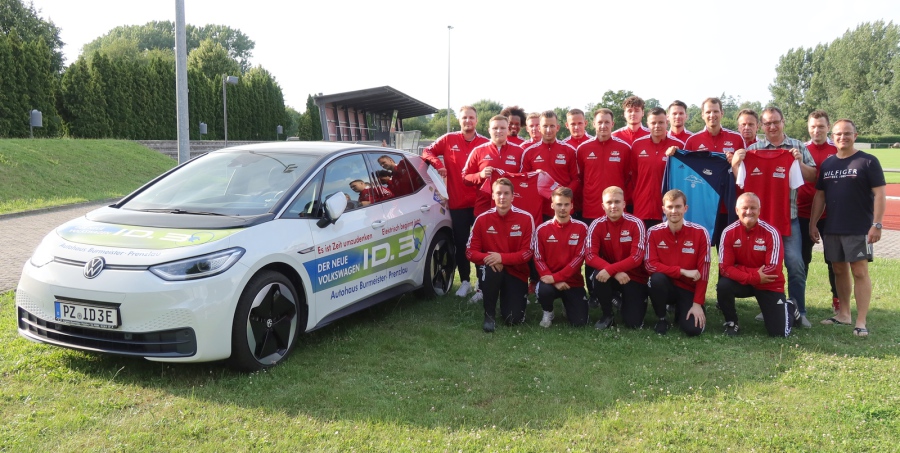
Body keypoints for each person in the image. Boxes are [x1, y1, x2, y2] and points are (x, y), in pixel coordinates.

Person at [732, 106, 817, 327]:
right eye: (767, 123)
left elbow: (813, 176)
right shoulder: (753, 149)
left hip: (789, 219)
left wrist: (798, 162)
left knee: (795, 264)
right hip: (761, 224)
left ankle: (799, 309)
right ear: (762, 125)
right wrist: (736, 163)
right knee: (767, 265)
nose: (772, 126)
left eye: (775, 122)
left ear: (783, 121)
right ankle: (770, 306)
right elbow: (740, 182)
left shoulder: (797, 147)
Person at [810, 119, 886, 337]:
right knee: (839, 270)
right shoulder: (828, 164)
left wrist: (877, 225)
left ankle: (861, 320)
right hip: (833, 227)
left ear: (855, 135)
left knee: (859, 271)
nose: (842, 137)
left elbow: (880, 194)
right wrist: (813, 223)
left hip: (859, 227)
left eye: (847, 133)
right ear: (832, 137)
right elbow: (820, 196)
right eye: (838, 134)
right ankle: (844, 314)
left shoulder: (868, 161)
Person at [421, 106, 489, 299]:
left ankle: (481, 284)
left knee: (480, 245)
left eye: (471, 118)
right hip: (457, 203)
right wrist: (439, 164)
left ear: (477, 120)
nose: (468, 121)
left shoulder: (485, 143)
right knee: (461, 243)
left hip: (480, 204)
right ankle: (465, 281)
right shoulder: (449, 139)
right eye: (465, 118)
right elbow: (427, 151)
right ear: (460, 120)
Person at [461, 115, 525, 302]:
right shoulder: (479, 151)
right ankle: (482, 287)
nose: (499, 131)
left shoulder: (519, 151)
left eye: (502, 128)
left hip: (510, 210)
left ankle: (512, 285)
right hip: (483, 209)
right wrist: (480, 175)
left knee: (510, 246)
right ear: (489, 130)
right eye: (495, 128)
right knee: (483, 246)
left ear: (508, 130)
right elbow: (465, 177)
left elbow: (524, 179)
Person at [717, 193, 798, 337]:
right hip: (747, 281)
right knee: (723, 285)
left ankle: (790, 306)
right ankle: (731, 322)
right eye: (745, 208)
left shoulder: (771, 232)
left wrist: (738, 268)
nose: (749, 212)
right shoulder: (728, 232)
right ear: (737, 210)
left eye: (753, 208)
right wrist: (753, 277)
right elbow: (724, 268)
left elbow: (772, 269)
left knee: (779, 333)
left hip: (768, 283)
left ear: (759, 210)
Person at [466, 178, 535, 332]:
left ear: (513, 196)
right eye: (498, 193)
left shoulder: (525, 218)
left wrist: (502, 258)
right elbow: (470, 251)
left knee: (514, 319)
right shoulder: (482, 219)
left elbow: (527, 253)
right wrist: (491, 259)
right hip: (493, 269)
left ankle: (508, 298)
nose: (502, 197)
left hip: (517, 272)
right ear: (493, 196)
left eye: (506, 193)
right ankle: (489, 315)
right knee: (490, 269)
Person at [644, 190, 710, 336]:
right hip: (666, 286)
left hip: (688, 289)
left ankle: (682, 310)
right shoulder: (653, 232)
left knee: (693, 330)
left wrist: (697, 303)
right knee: (656, 278)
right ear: (664, 209)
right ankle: (662, 318)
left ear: (685, 208)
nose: (674, 211)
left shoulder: (700, 232)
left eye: (678, 207)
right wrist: (681, 271)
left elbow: (703, 272)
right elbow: (650, 265)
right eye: (670, 207)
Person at [586, 186, 648, 330]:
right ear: (603, 206)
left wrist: (611, 269)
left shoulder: (636, 223)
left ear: (624, 204)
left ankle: (622, 300)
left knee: (633, 323)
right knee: (598, 275)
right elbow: (590, 256)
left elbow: (637, 258)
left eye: (617, 202)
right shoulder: (596, 225)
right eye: (609, 202)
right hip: (611, 276)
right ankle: (607, 315)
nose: (613, 206)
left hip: (634, 277)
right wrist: (613, 272)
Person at [798, 110, 839, 313]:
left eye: (821, 126)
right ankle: (799, 300)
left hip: (831, 215)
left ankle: (838, 299)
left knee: (834, 260)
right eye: (813, 126)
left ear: (828, 127)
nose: (817, 130)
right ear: (808, 128)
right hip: (803, 213)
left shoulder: (838, 148)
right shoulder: (801, 149)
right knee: (802, 259)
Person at [533, 186, 590, 328]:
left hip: (573, 282)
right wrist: (553, 280)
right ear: (552, 205)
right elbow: (538, 259)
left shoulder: (582, 228)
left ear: (572, 205)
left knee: (580, 322)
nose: (562, 208)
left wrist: (558, 278)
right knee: (544, 290)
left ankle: (568, 305)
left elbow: (578, 259)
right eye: (559, 204)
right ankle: (548, 311)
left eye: (566, 204)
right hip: (549, 281)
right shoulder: (542, 229)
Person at [630, 107, 684, 230]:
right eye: (653, 123)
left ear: (667, 122)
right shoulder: (637, 145)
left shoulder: (678, 147)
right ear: (647, 124)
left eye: (661, 122)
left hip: (668, 209)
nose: (657, 126)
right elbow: (633, 175)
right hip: (642, 207)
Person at [522, 110, 580, 220]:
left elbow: (576, 179)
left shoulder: (569, 150)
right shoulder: (529, 152)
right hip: (540, 209)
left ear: (557, 127)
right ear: (539, 128)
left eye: (552, 126)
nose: (548, 130)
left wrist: (564, 194)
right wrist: (533, 175)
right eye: (545, 126)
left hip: (564, 207)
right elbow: (522, 179)